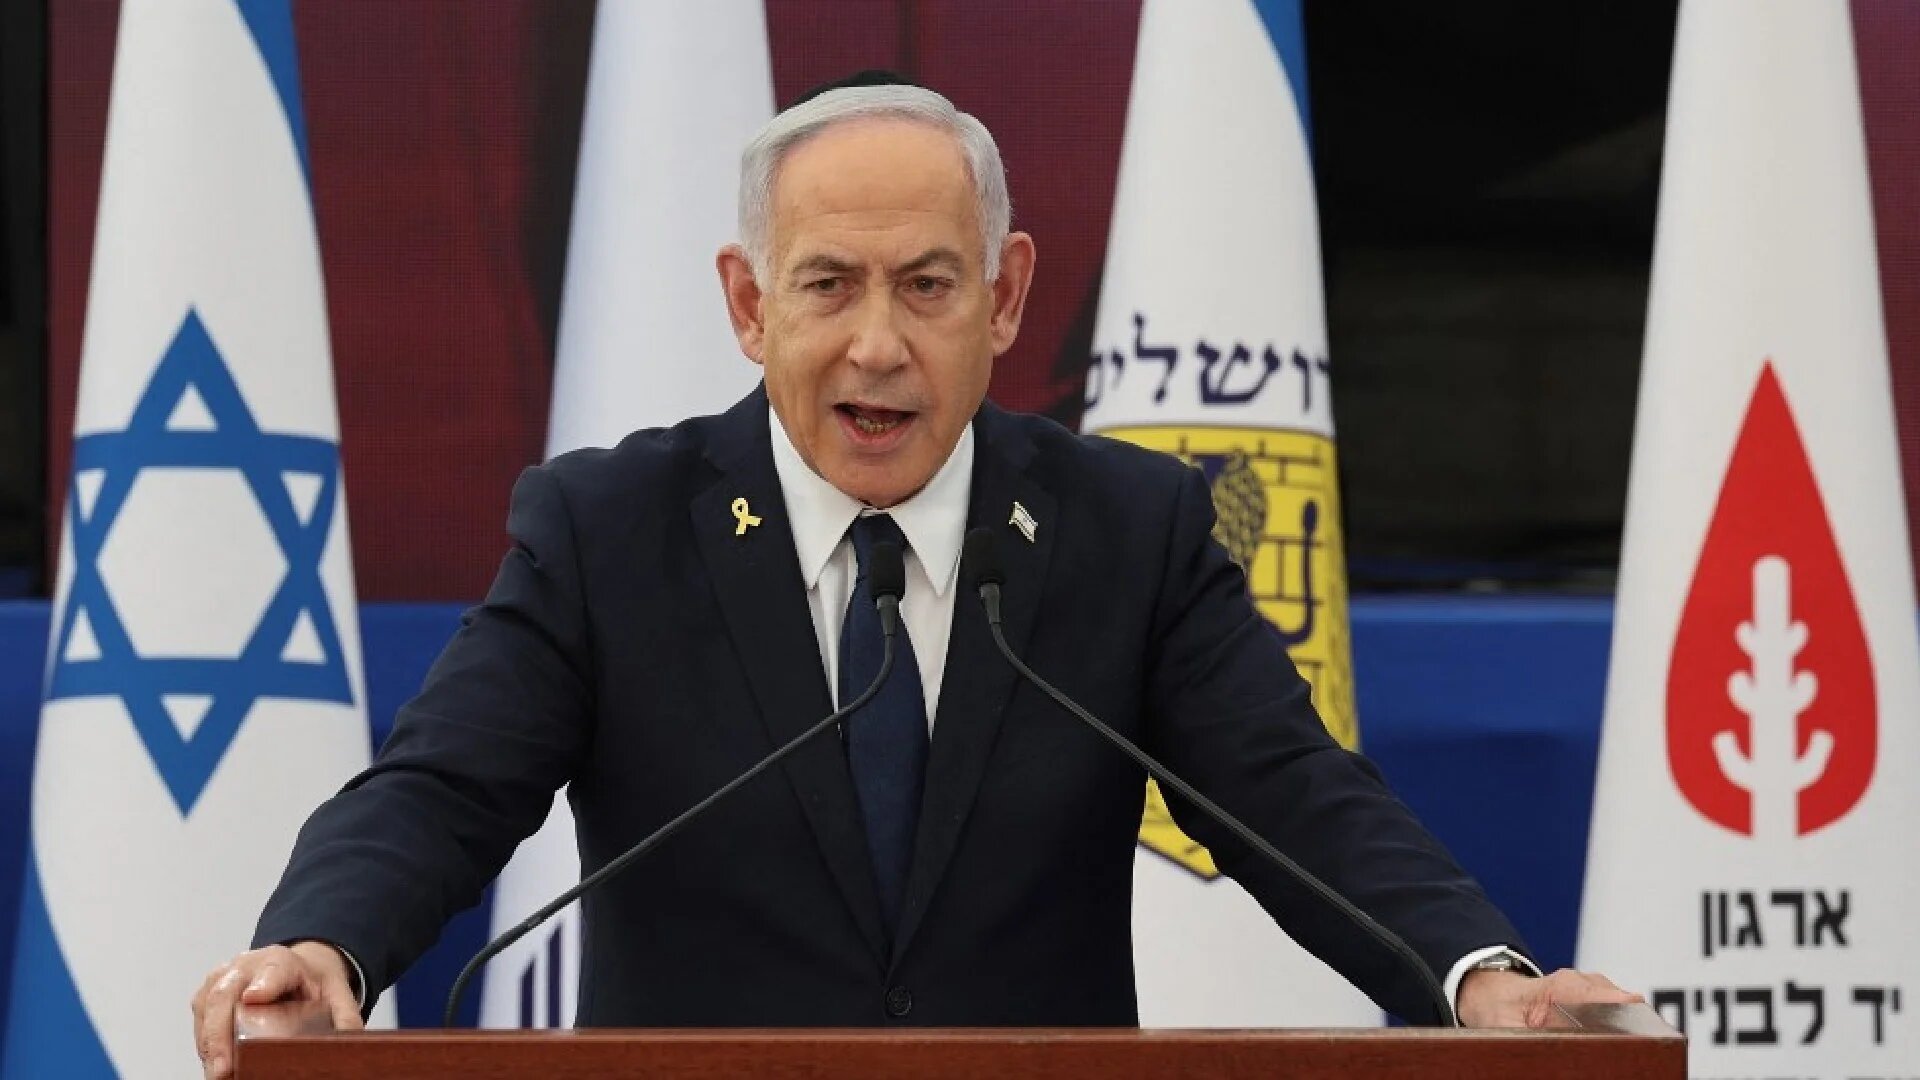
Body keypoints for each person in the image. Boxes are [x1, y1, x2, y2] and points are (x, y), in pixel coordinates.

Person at [191, 78, 1637, 1078]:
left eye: (928, 286)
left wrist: (1477, 981)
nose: (878, 344)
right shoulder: (609, 528)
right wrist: (324, 943)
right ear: (750, 306)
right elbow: (444, 788)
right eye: (829, 285)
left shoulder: (1122, 530)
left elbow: (1293, 797)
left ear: (1004, 297)